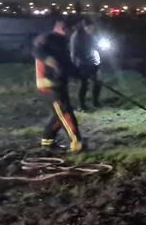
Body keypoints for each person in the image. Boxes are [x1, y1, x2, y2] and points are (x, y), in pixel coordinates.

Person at [33, 18, 83, 153]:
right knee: (65, 112)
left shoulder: (63, 42)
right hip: (48, 84)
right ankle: (76, 143)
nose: (73, 33)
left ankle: (47, 141)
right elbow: (36, 51)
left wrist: (79, 74)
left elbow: (67, 64)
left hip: (60, 83)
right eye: (72, 29)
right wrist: (51, 61)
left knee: (59, 113)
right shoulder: (47, 38)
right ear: (64, 28)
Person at [70, 17, 102, 111]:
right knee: (84, 84)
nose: (91, 30)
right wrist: (80, 62)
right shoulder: (77, 36)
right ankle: (81, 105)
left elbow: (96, 45)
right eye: (89, 28)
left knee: (98, 82)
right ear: (85, 27)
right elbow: (75, 52)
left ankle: (95, 102)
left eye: (93, 28)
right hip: (83, 64)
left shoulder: (92, 35)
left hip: (95, 62)